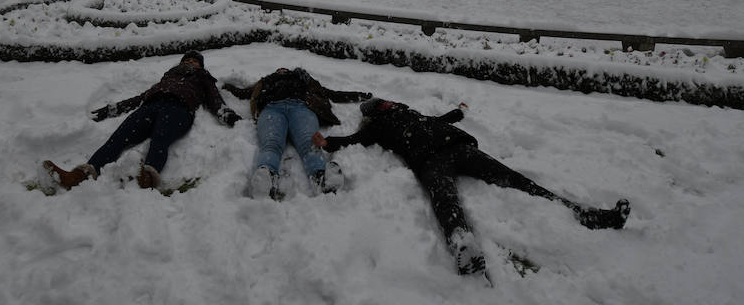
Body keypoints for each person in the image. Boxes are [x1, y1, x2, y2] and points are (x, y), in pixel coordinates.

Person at [315, 98, 630, 278]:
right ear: (376, 111)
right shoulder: (379, 127)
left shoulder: (413, 114)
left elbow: (444, 117)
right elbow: (355, 141)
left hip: (458, 146)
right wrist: (328, 142)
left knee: (518, 181)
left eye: (386, 101)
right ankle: (461, 242)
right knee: (444, 199)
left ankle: (586, 214)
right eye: (381, 103)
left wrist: (457, 112)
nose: (388, 103)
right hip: (429, 161)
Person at [43, 51, 241, 190]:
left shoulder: (203, 77)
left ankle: (148, 177)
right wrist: (111, 109)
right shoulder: (167, 78)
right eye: (187, 59)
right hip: (150, 107)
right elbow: (140, 98)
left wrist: (229, 116)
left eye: (194, 60)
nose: (190, 61)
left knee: (160, 139)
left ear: (200, 65)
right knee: (117, 139)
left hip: (179, 109)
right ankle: (80, 176)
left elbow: (215, 100)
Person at [223, 68, 371, 199]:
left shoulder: (300, 77)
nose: (282, 70)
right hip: (271, 110)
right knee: (271, 143)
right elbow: (244, 93)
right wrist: (226, 87)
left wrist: (358, 95)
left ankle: (321, 179)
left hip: (300, 108)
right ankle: (266, 179)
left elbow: (328, 93)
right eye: (279, 70)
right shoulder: (266, 81)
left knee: (309, 141)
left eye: (284, 69)